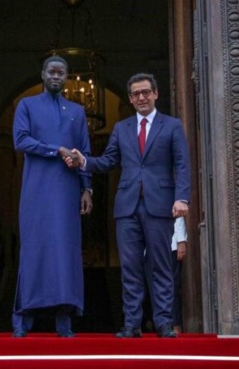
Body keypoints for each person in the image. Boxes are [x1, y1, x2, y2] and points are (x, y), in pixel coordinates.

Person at [69, 72, 190, 338]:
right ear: (131, 99)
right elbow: (109, 161)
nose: (141, 97)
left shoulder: (172, 126)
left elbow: (181, 164)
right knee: (130, 267)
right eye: (136, 94)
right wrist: (85, 161)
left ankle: (163, 323)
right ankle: (132, 324)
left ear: (156, 94)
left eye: (146, 92)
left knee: (161, 267)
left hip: (160, 205)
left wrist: (182, 197)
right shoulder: (122, 128)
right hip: (127, 208)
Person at [11, 56, 92, 338]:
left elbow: (84, 153)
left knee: (66, 253)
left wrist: (87, 189)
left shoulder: (77, 111)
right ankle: (23, 319)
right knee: (35, 249)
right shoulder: (27, 105)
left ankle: (64, 319)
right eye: (52, 72)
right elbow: (20, 140)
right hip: (36, 191)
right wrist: (55, 150)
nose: (56, 76)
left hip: (68, 191)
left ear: (67, 77)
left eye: (62, 73)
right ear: (43, 74)